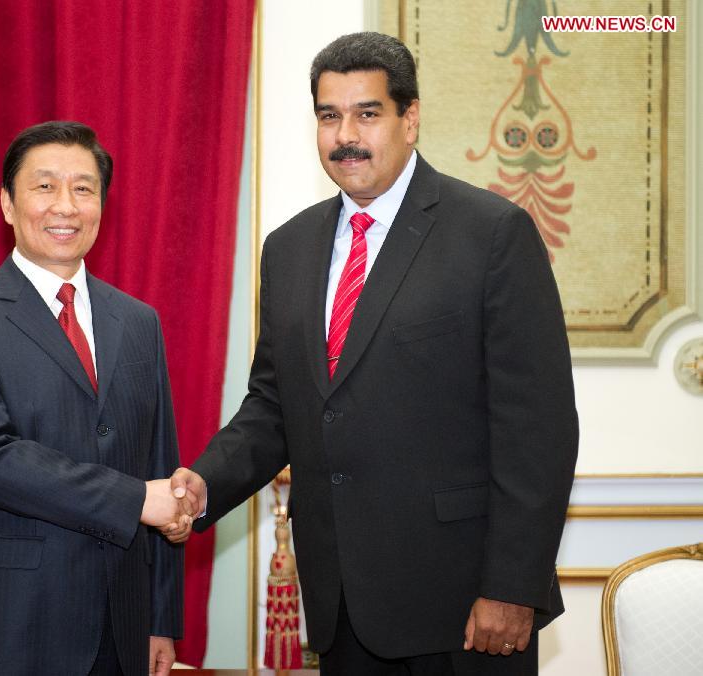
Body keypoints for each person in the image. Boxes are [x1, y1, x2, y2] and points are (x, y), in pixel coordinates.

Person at [167, 32, 579, 675]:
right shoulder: (290, 247)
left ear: (409, 119)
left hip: (464, 607)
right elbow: (277, 402)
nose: (345, 135)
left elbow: (539, 428)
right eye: (329, 116)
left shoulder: (492, 233)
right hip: (341, 605)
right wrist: (201, 485)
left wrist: (513, 584)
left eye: (367, 113)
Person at [0, 121, 186, 676]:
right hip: (8, 622)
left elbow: (158, 466)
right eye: (44, 187)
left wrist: (161, 617)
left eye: (84, 188)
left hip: (123, 622)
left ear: (102, 205)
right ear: (7, 205)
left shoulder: (139, 322)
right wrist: (133, 498)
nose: (65, 205)